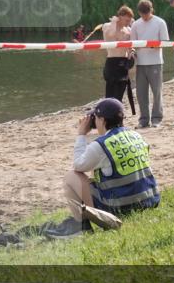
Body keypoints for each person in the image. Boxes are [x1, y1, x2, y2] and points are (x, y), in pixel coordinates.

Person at [54, 97, 160, 237]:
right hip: (149, 200)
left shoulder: (101, 145)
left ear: (103, 120)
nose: (94, 122)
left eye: (96, 118)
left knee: (71, 177)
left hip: (121, 207)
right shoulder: (136, 135)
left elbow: (78, 165)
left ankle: (83, 227)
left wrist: (81, 135)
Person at [131, 0, 169, 128]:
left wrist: (152, 46)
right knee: (141, 93)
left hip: (155, 62)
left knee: (156, 92)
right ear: (139, 13)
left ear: (151, 10)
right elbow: (132, 44)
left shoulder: (160, 22)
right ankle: (143, 119)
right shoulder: (136, 24)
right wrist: (133, 52)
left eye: (146, 14)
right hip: (140, 63)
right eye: (142, 14)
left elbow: (164, 42)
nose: (145, 17)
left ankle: (157, 118)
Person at [101, 7, 134, 101]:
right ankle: (109, 114)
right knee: (110, 92)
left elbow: (131, 46)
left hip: (123, 61)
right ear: (120, 17)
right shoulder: (108, 25)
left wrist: (132, 53)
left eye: (129, 20)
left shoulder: (128, 30)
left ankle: (118, 113)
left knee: (121, 90)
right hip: (112, 61)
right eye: (126, 20)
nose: (128, 22)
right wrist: (114, 23)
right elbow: (110, 35)